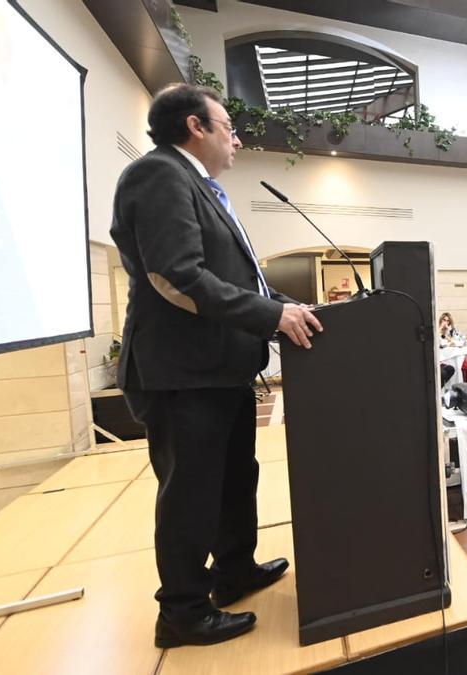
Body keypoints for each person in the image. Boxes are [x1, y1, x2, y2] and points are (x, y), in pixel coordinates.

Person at [110, 83, 323, 647]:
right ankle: (180, 612)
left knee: (233, 479)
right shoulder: (158, 175)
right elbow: (176, 275)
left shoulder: (198, 186)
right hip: (182, 371)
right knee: (191, 492)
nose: (237, 136)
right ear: (194, 127)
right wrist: (272, 315)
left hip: (218, 369)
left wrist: (280, 306)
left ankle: (234, 570)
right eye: (228, 125)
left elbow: (235, 280)